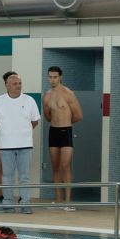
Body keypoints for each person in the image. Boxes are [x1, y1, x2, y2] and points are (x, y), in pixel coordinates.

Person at [0, 72, 41, 214]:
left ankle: (25, 203)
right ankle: (8, 203)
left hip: (25, 145)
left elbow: (35, 121)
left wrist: (22, 132)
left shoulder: (29, 100)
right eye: (15, 84)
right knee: (7, 176)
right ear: (7, 85)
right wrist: (7, 131)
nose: (18, 86)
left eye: (19, 83)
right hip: (6, 146)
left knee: (24, 176)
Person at [43, 65, 84, 210]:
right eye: (50, 77)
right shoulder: (46, 95)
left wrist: (66, 122)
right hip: (53, 131)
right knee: (55, 167)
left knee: (65, 165)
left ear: (60, 77)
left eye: (55, 77)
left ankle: (67, 201)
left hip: (66, 131)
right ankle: (58, 200)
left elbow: (79, 115)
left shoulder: (68, 94)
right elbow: (47, 116)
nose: (52, 80)